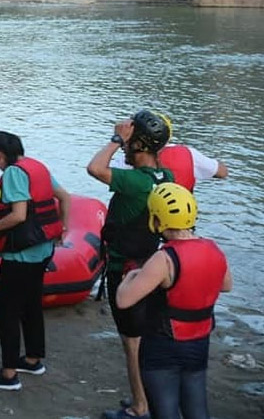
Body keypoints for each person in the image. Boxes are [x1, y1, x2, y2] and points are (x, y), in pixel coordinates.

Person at [116, 183, 231, 419]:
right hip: (199, 343)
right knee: (197, 409)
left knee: (165, 411)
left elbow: (123, 300)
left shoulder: (164, 258)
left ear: (157, 219)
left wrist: (132, 276)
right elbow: (226, 285)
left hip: (163, 347)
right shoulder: (213, 248)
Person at [87, 110, 174, 419]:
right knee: (146, 337)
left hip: (125, 269)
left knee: (132, 341)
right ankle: (149, 399)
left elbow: (95, 168)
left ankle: (140, 406)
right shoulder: (166, 177)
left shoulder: (135, 181)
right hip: (150, 265)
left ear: (139, 145)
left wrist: (114, 139)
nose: (124, 147)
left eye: (128, 142)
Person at [0, 131, 71, 391]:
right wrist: (62, 230)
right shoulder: (37, 167)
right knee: (31, 305)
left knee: (8, 312)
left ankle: (8, 374)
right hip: (43, 250)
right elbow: (65, 197)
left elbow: (18, 216)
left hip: (21, 255)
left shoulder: (14, 173)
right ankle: (32, 359)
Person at [110, 112, 227, 191]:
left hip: (141, 222)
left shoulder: (129, 160)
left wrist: (118, 139)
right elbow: (222, 172)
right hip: (181, 222)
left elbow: (97, 169)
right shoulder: (189, 154)